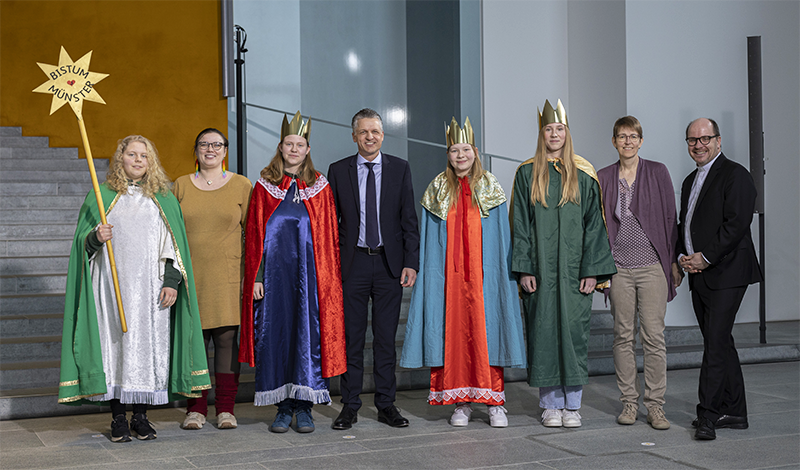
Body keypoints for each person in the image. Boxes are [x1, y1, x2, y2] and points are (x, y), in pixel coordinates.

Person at [58, 135, 210, 443]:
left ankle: (140, 416)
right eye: (132, 154)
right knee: (115, 349)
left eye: (144, 155)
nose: (138, 160)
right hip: (110, 288)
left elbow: (173, 245)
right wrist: (95, 237)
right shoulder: (101, 196)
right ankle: (117, 417)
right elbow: (81, 248)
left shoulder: (163, 198)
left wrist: (171, 281)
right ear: (120, 159)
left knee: (147, 349)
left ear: (151, 161)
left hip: (151, 289)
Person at [400, 117, 526, 428]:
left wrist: (502, 276)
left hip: (485, 277)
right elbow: (430, 240)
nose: (461, 155)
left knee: (488, 333)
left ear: (475, 151)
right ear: (448, 154)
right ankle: (461, 403)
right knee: (452, 335)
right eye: (455, 150)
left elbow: (501, 237)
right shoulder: (438, 188)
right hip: (449, 278)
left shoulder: (490, 186)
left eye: (466, 149)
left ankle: (494, 402)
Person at [510, 99, 616, 428]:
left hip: (574, 272)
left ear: (567, 133)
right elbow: (520, 225)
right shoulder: (527, 173)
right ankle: (550, 405)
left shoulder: (583, 174)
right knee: (543, 332)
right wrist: (524, 267)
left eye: (560, 128)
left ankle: (573, 405)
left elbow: (595, 226)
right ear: (541, 134)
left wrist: (592, 271)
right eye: (548, 129)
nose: (554, 134)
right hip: (540, 270)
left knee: (573, 334)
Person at [240, 111, 346, 434]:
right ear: (281, 147)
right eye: (289, 144)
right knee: (277, 336)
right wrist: (257, 277)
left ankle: (305, 408)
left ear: (308, 149)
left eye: (300, 145)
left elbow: (329, 238)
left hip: (310, 278)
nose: (294, 149)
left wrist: (327, 281)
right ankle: (283, 408)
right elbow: (254, 235)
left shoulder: (320, 186)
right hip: (275, 279)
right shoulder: (265, 185)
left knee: (307, 335)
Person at [328, 108, 420, 430]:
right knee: (352, 339)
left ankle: (386, 405)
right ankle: (350, 405)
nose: (370, 137)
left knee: (384, 339)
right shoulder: (338, 170)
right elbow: (331, 223)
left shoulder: (400, 168)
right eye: (364, 132)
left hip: (388, 265)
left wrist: (411, 262)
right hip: (352, 264)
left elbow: (409, 219)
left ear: (383, 135)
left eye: (375, 132)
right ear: (354, 136)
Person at [677, 118, 762, 440]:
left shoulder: (735, 174)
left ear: (718, 140)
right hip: (699, 273)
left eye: (705, 138)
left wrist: (706, 257)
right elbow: (686, 225)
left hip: (727, 271)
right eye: (692, 140)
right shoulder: (690, 180)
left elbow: (737, 223)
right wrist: (681, 257)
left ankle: (708, 416)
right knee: (721, 341)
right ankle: (735, 411)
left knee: (714, 343)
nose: (698, 145)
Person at [597, 116, 683, 430]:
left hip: (652, 266)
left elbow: (670, 218)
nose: (628, 142)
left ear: (641, 141)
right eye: (622, 136)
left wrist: (672, 262)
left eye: (633, 136)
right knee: (622, 336)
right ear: (614, 141)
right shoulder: (604, 176)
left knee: (654, 337)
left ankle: (655, 406)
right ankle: (629, 403)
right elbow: (598, 224)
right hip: (618, 268)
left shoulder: (657, 172)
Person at [173, 128, 252, 430]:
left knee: (226, 342)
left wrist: (252, 276)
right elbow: (169, 233)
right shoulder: (181, 185)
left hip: (228, 276)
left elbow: (254, 235)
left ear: (225, 151)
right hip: (190, 276)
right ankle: (195, 410)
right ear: (196, 150)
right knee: (194, 343)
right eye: (204, 144)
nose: (210, 149)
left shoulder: (241, 185)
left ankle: (226, 409)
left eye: (217, 144)